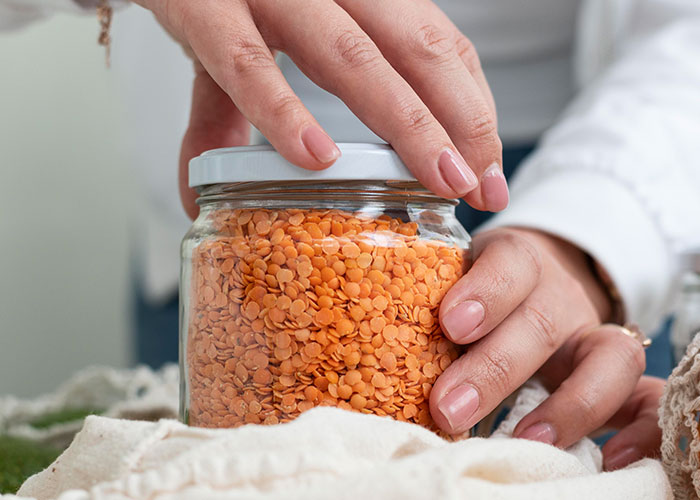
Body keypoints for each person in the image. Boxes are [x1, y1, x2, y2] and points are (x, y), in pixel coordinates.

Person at [3, 0, 700, 471]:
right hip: (240, 188)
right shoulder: (219, 239)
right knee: (223, 467)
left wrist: (590, 228)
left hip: (545, 154)